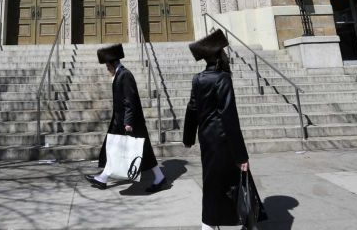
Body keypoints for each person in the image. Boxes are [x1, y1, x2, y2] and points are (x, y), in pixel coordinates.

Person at [183, 30, 266, 229]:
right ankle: (225, 222)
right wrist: (241, 155)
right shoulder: (222, 78)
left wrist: (188, 137)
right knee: (235, 182)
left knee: (213, 182)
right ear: (219, 56)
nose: (226, 55)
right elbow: (229, 117)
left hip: (207, 140)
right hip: (223, 140)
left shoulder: (198, 78)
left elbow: (192, 108)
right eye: (223, 52)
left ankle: (223, 223)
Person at [85, 43, 167, 192]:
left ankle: (160, 177)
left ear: (112, 63)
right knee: (115, 148)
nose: (106, 68)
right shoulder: (119, 74)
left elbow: (130, 100)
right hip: (121, 120)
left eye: (107, 65)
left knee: (143, 150)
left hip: (129, 121)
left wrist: (128, 122)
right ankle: (103, 177)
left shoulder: (125, 75)